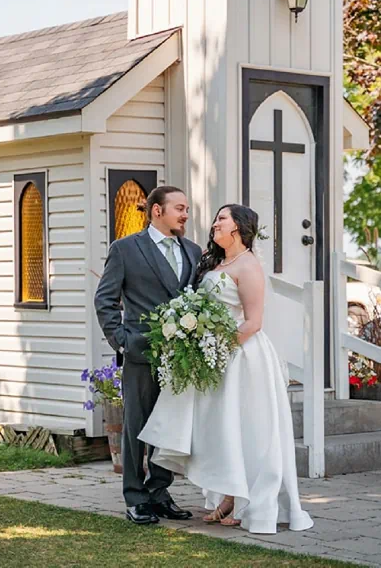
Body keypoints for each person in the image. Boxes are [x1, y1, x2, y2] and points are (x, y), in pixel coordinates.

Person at [139, 204, 314, 535]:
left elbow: (253, 322)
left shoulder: (248, 266)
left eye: (222, 218)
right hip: (216, 358)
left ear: (239, 227)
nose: (215, 223)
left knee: (243, 427)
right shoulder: (218, 262)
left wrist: (219, 349)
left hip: (241, 357)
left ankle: (242, 499)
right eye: (217, 218)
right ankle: (228, 495)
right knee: (221, 429)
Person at [94, 186, 202, 525]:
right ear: (157, 210)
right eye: (180, 208)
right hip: (141, 352)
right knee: (136, 428)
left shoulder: (194, 250)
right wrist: (122, 340)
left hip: (180, 355)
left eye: (187, 208)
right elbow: (105, 300)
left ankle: (159, 492)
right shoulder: (126, 249)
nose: (186, 214)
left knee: (169, 426)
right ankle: (135, 498)